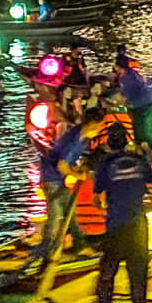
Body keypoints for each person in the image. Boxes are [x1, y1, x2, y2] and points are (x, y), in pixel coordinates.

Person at [90, 125, 152, 303]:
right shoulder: (139, 161)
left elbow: (96, 196)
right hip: (138, 225)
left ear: (109, 142)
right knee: (138, 276)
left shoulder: (105, 164)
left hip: (116, 225)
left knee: (107, 274)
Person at [37, 111, 91, 261]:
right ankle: (48, 252)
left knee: (70, 213)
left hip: (58, 179)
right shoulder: (73, 142)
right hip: (51, 178)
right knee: (56, 216)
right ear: (92, 125)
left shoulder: (81, 136)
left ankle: (80, 245)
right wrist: (79, 175)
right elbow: (62, 166)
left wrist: (78, 168)